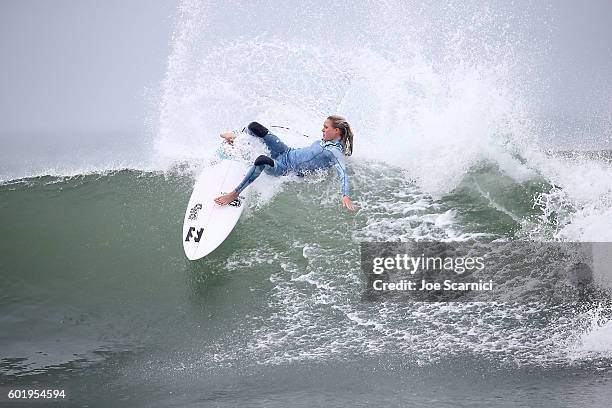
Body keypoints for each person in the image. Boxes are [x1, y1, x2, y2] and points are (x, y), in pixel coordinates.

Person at [214, 115, 356, 211]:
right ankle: (236, 138)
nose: (322, 129)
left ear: (336, 130)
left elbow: (342, 172)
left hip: (286, 168)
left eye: (326, 127)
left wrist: (345, 195)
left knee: (262, 160)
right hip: (285, 151)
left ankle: (234, 193)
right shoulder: (327, 141)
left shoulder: (335, 151)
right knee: (254, 126)